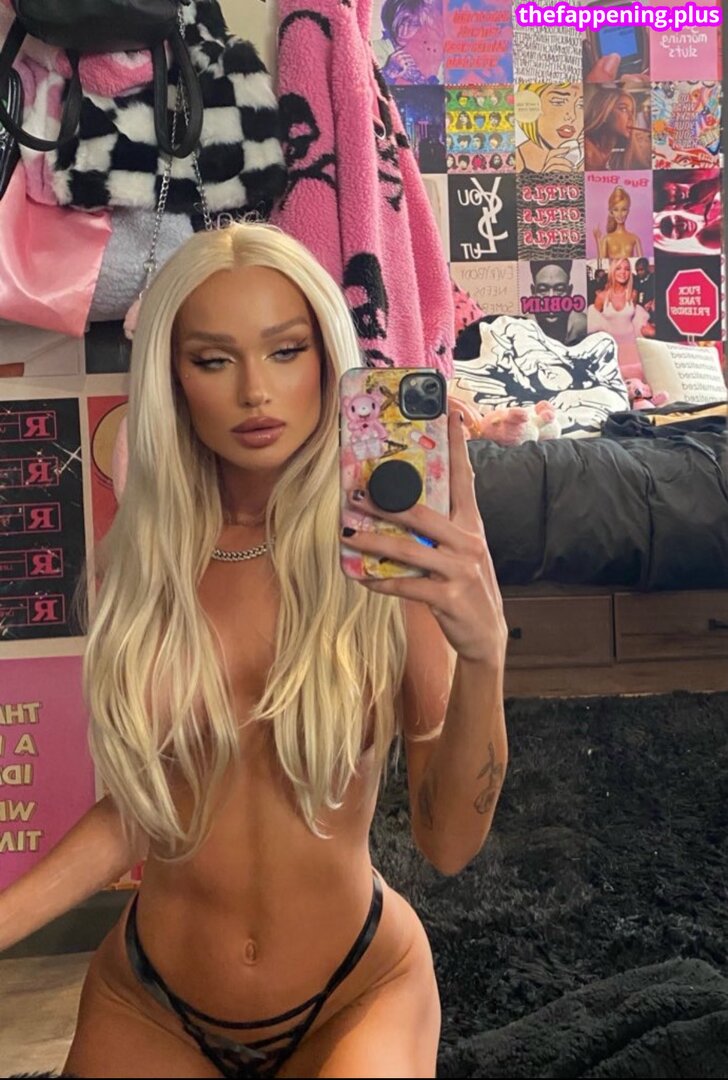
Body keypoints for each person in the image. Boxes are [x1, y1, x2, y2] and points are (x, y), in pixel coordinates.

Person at [0, 223, 508, 1079]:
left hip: (355, 991)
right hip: (152, 1000)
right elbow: (147, 808)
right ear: (173, 379)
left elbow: (448, 844)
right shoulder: (149, 558)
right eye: (213, 360)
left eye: (285, 350)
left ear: (328, 358)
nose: (255, 392)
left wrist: (485, 655)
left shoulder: (383, 551)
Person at [588, 256, 654, 378]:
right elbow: (593, 324)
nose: (623, 272)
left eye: (627, 269)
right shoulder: (602, 297)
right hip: (611, 349)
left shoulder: (633, 294)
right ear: (612, 271)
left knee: (634, 381)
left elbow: (636, 319)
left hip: (631, 346)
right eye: (618, 268)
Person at [515, 83, 584, 172]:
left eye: (581, 105)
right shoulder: (513, 160)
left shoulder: (585, 160)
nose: (572, 116)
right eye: (558, 102)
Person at [584, 87, 650, 170]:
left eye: (632, 111)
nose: (631, 117)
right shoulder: (583, 150)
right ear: (605, 113)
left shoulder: (628, 150)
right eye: (623, 109)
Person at [524, 260, 587, 345]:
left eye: (559, 289)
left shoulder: (582, 325)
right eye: (543, 290)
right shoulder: (524, 327)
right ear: (533, 292)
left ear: (569, 292)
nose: (551, 297)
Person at [593, 185, 643, 260]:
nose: (620, 214)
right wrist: (598, 240)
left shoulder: (635, 238)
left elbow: (641, 262)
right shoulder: (607, 239)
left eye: (624, 209)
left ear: (628, 211)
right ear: (611, 212)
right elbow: (602, 263)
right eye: (616, 210)